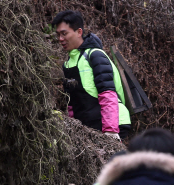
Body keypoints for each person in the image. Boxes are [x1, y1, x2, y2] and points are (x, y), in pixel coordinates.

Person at [53, 10, 131, 139]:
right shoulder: (67, 63)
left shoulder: (95, 55)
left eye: (64, 34)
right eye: (58, 35)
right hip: (89, 127)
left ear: (79, 32)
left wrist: (110, 130)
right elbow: (71, 103)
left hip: (112, 125)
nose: (60, 39)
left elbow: (108, 94)